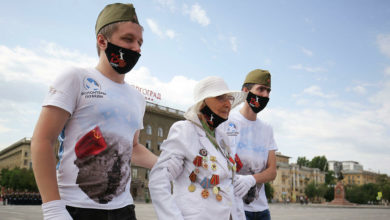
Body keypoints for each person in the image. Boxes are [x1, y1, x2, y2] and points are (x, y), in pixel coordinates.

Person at [31, 3, 157, 220]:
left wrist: (168, 163)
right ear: (102, 40)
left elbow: (133, 148)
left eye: (139, 42)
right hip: (76, 208)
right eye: (128, 39)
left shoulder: (137, 98)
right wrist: (52, 208)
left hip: (124, 211)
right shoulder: (76, 78)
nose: (136, 48)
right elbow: (42, 140)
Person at [149, 76, 247, 220]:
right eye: (220, 98)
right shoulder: (185, 130)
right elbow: (158, 180)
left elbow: (225, 183)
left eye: (229, 99)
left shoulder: (221, 138)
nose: (228, 104)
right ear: (202, 103)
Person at [224, 69, 278, 220]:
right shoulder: (227, 122)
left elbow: (272, 171)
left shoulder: (267, 129)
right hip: (234, 208)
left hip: (262, 211)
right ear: (245, 91)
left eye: (268, 91)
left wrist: (251, 179)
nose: (265, 95)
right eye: (261, 89)